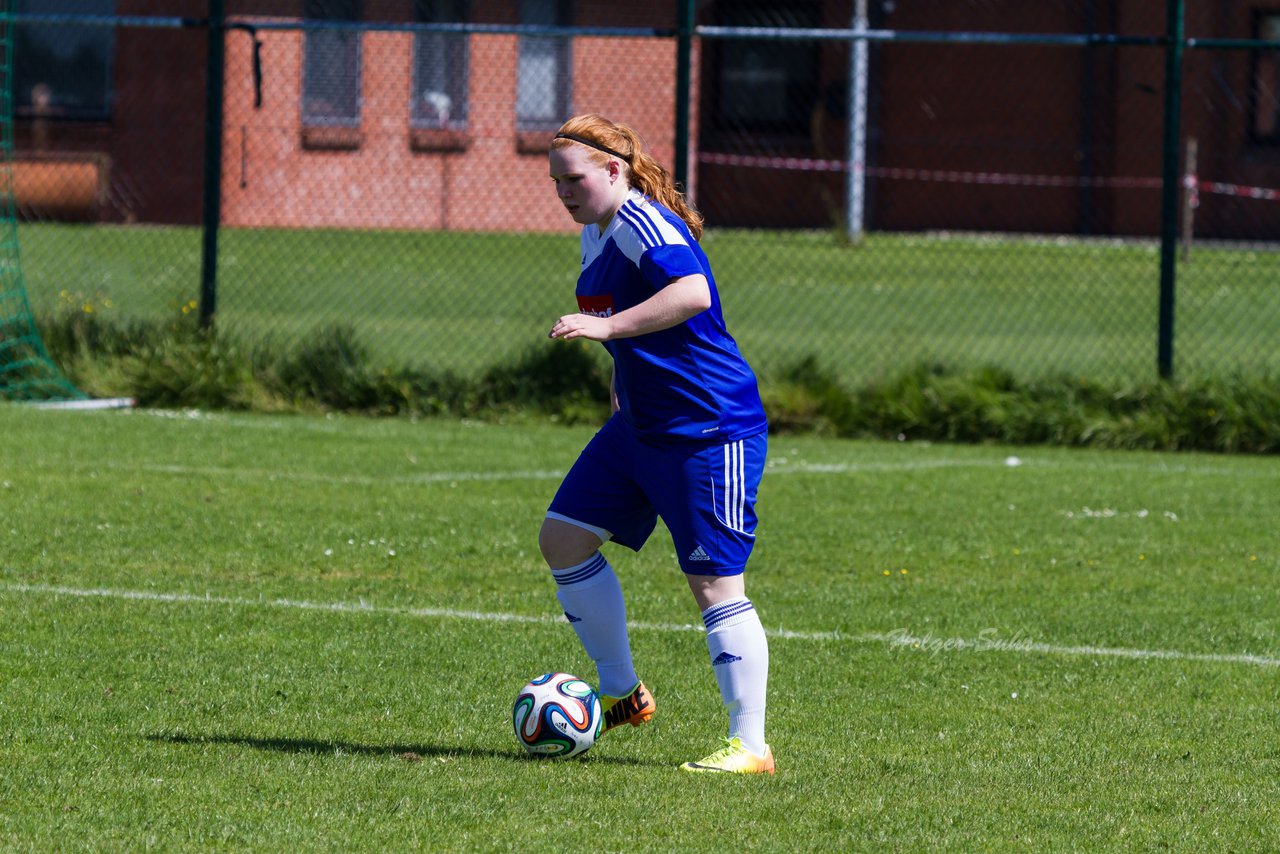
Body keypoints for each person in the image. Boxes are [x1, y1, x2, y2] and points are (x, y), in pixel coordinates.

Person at [540, 114, 774, 774]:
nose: (564, 191)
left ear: (613, 170)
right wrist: (620, 378)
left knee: (714, 584)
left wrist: (605, 329)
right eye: (555, 181)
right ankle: (622, 695)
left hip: (707, 426)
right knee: (563, 539)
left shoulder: (643, 222)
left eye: (574, 178)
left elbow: (693, 293)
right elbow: (632, 315)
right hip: (641, 425)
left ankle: (750, 746)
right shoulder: (595, 232)